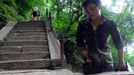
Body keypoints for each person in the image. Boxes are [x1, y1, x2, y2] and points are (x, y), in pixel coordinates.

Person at [76, 0, 126, 74]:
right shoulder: (82, 24)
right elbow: (79, 42)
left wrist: (121, 62)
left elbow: (119, 43)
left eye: (92, 9)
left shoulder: (110, 24)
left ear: (99, 6)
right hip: (90, 64)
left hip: (107, 63)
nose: (90, 12)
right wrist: (86, 55)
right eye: (87, 11)